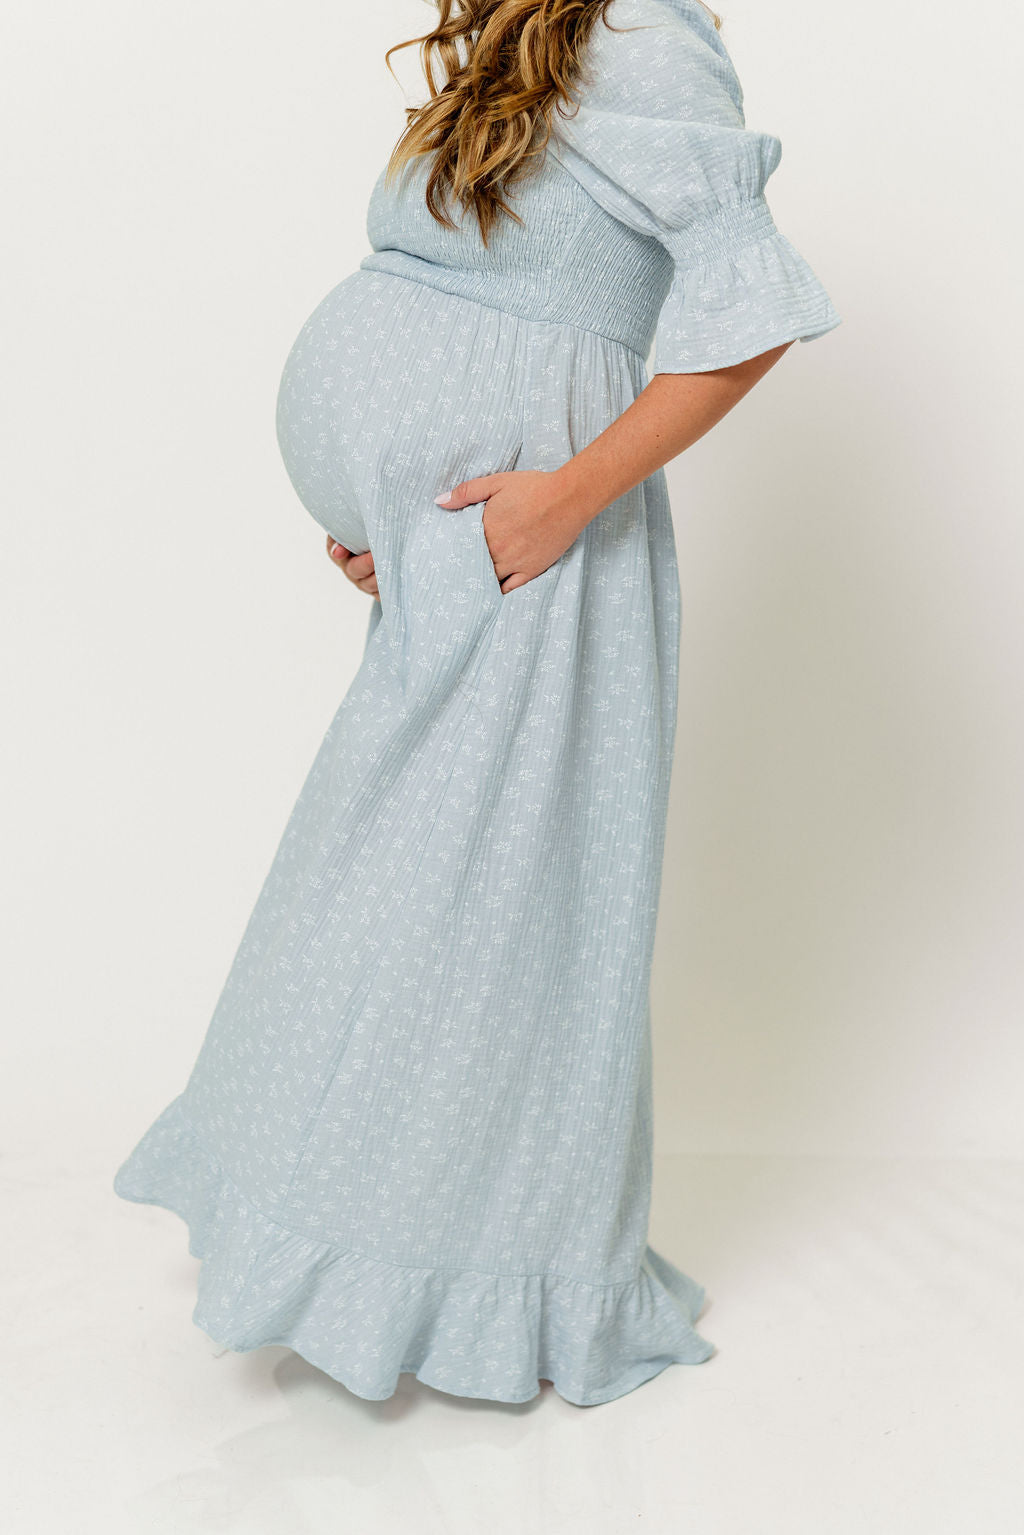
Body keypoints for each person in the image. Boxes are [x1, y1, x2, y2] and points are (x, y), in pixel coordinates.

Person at [114, 0, 841, 1408]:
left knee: (489, 907)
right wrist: (376, 502)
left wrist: (565, 499)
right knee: (385, 883)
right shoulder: (518, 42)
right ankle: (341, 1241)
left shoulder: (648, 37)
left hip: (541, 546)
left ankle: (480, 1288)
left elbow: (753, 316)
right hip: (450, 556)